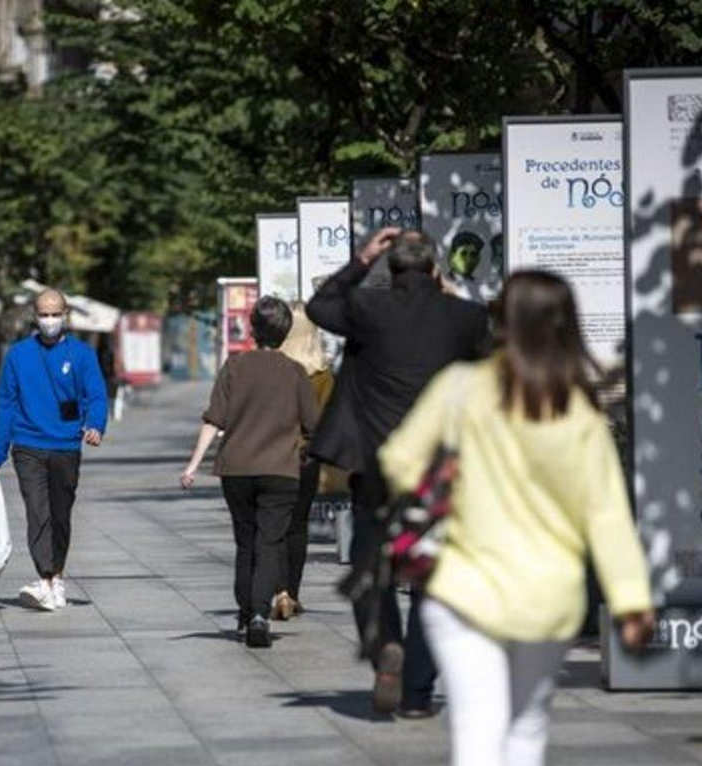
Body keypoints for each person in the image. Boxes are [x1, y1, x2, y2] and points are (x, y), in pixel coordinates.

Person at [377, 270, 653, 766]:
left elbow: (397, 459)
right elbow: (608, 516)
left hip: (460, 587)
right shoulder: (579, 413)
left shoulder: (459, 388)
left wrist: (441, 482)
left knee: (475, 728)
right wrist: (631, 601)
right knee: (525, 730)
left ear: (498, 322)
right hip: (545, 596)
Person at [307, 226, 489, 717]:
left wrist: (361, 259)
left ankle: (387, 643)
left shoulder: (369, 309)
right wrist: (451, 295)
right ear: (434, 268)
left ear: (392, 267)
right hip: (440, 474)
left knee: (372, 570)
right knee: (434, 580)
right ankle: (416, 695)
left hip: (376, 467)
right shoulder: (464, 318)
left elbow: (320, 306)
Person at [180, 296, 319, 648]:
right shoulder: (295, 373)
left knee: (245, 541)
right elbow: (313, 425)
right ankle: (259, 614)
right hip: (281, 470)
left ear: (253, 329)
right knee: (269, 542)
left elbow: (214, 420)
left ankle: (245, 610)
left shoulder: (234, 367)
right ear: (286, 332)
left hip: (236, 469)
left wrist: (193, 465)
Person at [0, 288, 109, 611]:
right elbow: (5, 405)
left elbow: (96, 395)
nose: (49, 320)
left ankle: (57, 578)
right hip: (28, 446)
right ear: (35, 316)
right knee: (37, 512)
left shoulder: (81, 355)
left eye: (55, 314)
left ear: (66, 315)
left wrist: (95, 425)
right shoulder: (18, 355)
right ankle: (45, 579)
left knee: (60, 515)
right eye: (44, 314)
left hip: (66, 446)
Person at [272, 301, 334, 621]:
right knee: (298, 524)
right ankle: (292, 593)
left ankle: (278, 590)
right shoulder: (322, 375)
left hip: (271, 454)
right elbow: (327, 420)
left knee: (272, 524)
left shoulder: (272, 369)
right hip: (306, 457)